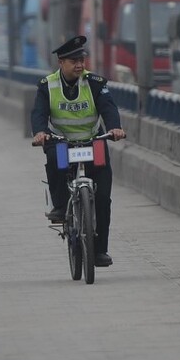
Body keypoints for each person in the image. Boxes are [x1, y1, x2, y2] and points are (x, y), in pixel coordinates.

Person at [31, 35, 126, 267]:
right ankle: (61, 206)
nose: (80, 65)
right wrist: (40, 132)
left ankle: (100, 250)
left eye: (81, 59)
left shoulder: (94, 83)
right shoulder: (47, 86)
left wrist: (114, 127)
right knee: (55, 159)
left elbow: (108, 107)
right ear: (61, 63)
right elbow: (39, 113)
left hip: (94, 141)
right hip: (62, 141)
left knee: (103, 198)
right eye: (73, 61)